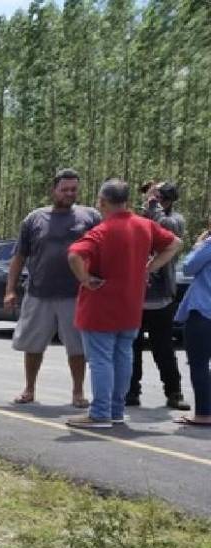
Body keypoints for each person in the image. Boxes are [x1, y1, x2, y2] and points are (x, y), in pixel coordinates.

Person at [64, 179, 183, 429]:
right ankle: (116, 410)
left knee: (100, 360)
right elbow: (175, 244)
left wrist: (84, 279)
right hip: (131, 306)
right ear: (126, 201)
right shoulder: (145, 226)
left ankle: (100, 413)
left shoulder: (101, 231)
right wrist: (149, 268)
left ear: (103, 202)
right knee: (123, 357)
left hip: (101, 307)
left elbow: (75, 254)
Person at [5, 168, 101, 407]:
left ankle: (78, 393)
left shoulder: (90, 217)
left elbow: (104, 251)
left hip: (76, 294)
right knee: (33, 345)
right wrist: (10, 289)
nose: (69, 194)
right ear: (53, 190)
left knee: (77, 347)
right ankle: (29, 389)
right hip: (40, 292)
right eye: (64, 189)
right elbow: (19, 256)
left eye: (74, 189)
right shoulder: (34, 218)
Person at [128, 181, 189, 409]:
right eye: (150, 197)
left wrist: (154, 208)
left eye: (158, 198)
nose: (151, 201)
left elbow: (167, 231)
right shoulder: (139, 219)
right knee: (131, 348)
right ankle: (131, 391)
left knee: (163, 348)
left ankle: (174, 392)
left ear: (169, 201)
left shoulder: (175, 220)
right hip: (135, 295)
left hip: (160, 296)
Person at [173, 226, 211, 426]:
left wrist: (198, 246)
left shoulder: (209, 245)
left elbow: (188, 267)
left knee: (199, 364)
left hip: (204, 311)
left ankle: (204, 413)